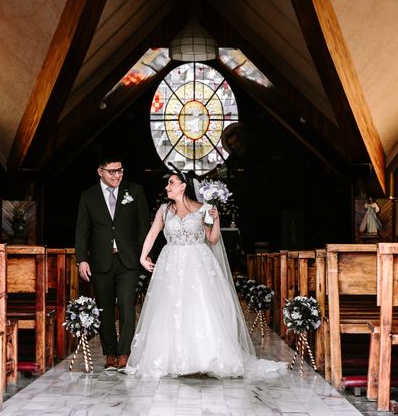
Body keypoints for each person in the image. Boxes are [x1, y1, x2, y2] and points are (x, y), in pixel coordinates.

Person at [125, 171, 286, 378]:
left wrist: (216, 219)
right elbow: (153, 233)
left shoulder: (203, 209)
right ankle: (174, 358)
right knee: (171, 308)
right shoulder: (164, 210)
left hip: (198, 263)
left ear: (183, 186)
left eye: (171, 183)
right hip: (172, 262)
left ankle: (206, 357)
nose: (167, 187)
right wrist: (143, 256)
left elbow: (212, 238)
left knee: (199, 306)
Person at [75, 154, 149, 372]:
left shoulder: (134, 191)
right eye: (112, 171)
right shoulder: (88, 196)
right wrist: (82, 260)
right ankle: (110, 353)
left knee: (126, 305)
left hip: (129, 260)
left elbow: (144, 225)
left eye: (120, 170)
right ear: (100, 172)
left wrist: (144, 254)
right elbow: (82, 231)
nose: (117, 175)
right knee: (104, 308)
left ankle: (124, 352)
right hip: (101, 261)